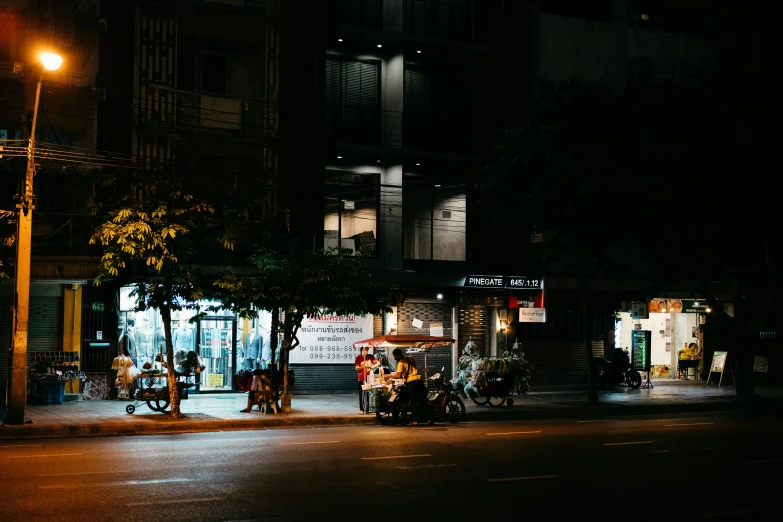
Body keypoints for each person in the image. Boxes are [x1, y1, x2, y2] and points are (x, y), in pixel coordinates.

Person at [384, 348, 428, 425]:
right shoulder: (411, 358)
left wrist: (388, 376)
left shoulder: (401, 363)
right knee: (423, 401)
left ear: (397, 355)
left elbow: (398, 375)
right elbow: (415, 368)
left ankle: (415, 421)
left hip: (412, 382)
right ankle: (429, 419)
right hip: (420, 381)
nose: (394, 358)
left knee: (413, 401)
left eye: (394, 356)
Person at [354, 346, 379, 415]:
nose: (366, 351)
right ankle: (362, 409)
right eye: (365, 349)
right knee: (362, 394)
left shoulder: (370, 357)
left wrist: (373, 367)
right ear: (361, 350)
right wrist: (363, 367)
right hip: (362, 378)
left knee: (369, 393)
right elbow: (356, 368)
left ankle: (368, 409)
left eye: (367, 349)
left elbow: (378, 363)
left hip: (369, 377)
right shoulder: (358, 358)